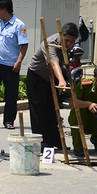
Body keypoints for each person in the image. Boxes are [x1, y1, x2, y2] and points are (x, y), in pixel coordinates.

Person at [26, 22, 79, 150]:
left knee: (53, 110)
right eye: (66, 40)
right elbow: (54, 63)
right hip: (37, 75)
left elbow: (65, 63)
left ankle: (56, 141)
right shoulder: (50, 43)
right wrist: (61, 80)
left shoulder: (70, 45)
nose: (68, 44)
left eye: (72, 42)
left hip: (52, 77)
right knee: (39, 111)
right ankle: (43, 143)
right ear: (61, 36)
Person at [0, 0, 29, 130]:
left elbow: (24, 45)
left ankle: (9, 121)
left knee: (11, 95)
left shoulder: (19, 25)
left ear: (4, 10)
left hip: (10, 66)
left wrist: (19, 61)